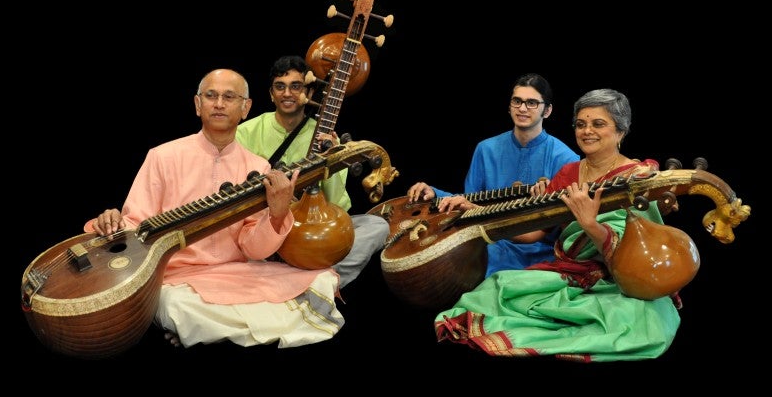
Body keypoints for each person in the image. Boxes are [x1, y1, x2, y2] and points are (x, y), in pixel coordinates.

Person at [85, 69, 346, 350]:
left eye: (229, 97)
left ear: (245, 108)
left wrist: (278, 214)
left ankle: (205, 331)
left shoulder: (258, 168)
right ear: (198, 105)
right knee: (178, 306)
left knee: (320, 280)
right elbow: (136, 223)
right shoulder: (162, 156)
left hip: (235, 273)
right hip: (176, 277)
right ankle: (211, 327)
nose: (219, 103)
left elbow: (253, 250)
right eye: (211, 96)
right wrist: (110, 222)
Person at [434, 88, 682, 362]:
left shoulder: (638, 177)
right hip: (569, 271)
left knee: (638, 317)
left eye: (598, 124)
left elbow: (639, 254)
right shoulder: (568, 174)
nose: (587, 131)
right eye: (581, 124)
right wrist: (479, 212)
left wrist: (590, 224)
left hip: (618, 279)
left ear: (621, 132)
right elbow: (534, 233)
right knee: (497, 287)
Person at [236, 55, 389, 289]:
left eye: (296, 86)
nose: (287, 93)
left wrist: (332, 161)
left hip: (312, 230)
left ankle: (319, 286)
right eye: (280, 87)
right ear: (271, 94)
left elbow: (337, 205)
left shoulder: (325, 137)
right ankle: (302, 278)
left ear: (308, 92)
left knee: (377, 226)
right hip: (268, 228)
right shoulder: (246, 132)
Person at [407, 73, 578, 276]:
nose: (522, 108)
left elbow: (566, 227)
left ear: (547, 110)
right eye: (517, 101)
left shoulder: (566, 158)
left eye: (532, 103)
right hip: (487, 243)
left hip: (540, 253)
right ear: (509, 106)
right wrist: (434, 194)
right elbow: (469, 201)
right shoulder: (486, 149)